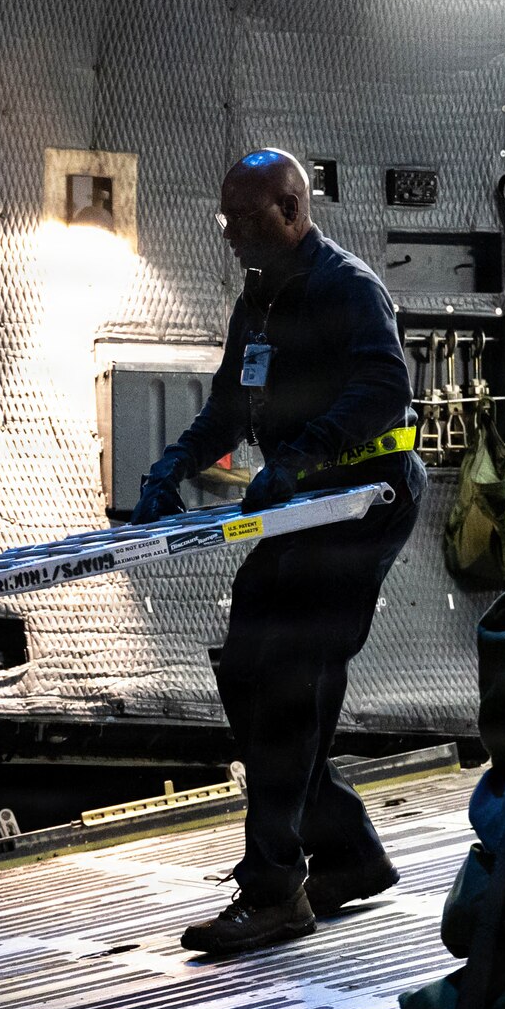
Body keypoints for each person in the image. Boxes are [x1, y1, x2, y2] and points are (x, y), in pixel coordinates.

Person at [133, 151, 424, 954]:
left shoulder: (347, 288)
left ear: (292, 209)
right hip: (302, 508)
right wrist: (171, 467)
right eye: (224, 220)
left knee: (291, 678)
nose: (228, 234)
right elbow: (229, 409)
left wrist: (302, 457)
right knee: (249, 671)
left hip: (362, 499)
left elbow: (384, 391)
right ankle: (350, 854)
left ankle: (274, 889)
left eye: (244, 220)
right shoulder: (256, 304)